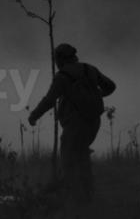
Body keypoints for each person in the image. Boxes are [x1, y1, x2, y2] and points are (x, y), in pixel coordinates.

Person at [27, 43, 116, 202]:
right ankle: (87, 196)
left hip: (75, 125)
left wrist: (33, 116)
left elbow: (49, 101)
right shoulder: (90, 69)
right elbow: (111, 87)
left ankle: (72, 199)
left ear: (60, 59)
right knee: (82, 157)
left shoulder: (62, 77)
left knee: (68, 162)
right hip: (94, 122)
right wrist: (94, 96)